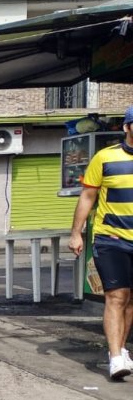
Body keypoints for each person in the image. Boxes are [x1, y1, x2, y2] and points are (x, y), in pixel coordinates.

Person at [71, 107, 133, 379]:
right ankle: (116, 356)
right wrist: (76, 232)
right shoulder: (105, 158)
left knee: (131, 301)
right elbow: (87, 196)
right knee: (116, 296)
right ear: (127, 127)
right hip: (112, 238)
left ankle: (120, 348)